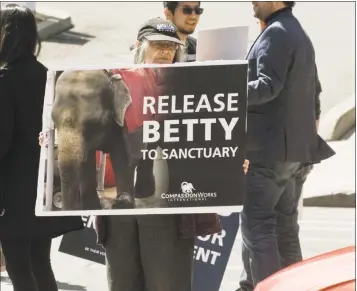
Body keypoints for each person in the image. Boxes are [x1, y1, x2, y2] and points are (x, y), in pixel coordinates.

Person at [92, 17, 249, 291]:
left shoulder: (191, 86)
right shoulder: (113, 79)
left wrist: (230, 162)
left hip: (168, 211)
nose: (166, 51)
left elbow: (212, 135)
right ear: (140, 46)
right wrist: (51, 138)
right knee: (122, 283)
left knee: (168, 284)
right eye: (159, 45)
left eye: (171, 46)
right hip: (120, 213)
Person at [237, 2, 335, 291]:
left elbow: (267, 86)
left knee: (258, 228)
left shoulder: (277, 33)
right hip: (293, 154)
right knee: (285, 231)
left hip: (268, 153)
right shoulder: (297, 33)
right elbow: (314, 91)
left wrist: (224, 91)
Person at [0, 4, 83, 291]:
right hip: (45, 182)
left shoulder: (5, 78)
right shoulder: (47, 74)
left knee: (18, 267)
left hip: (12, 189)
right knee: (39, 261)